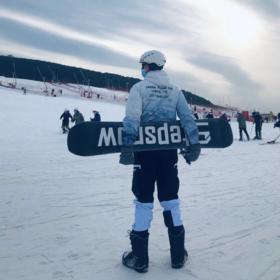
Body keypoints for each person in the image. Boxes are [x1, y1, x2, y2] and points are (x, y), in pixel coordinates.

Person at [120, 50, 200, 273]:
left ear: (149, 65)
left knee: (144, 200)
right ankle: (177, 256)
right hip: (168, 152)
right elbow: (186, 118)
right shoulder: (175, 90)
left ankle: (139, 258)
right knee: (170, 199)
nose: (141, 69)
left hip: (144, 153)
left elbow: (132, 118)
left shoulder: (139, 88)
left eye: (142, 65)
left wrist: (127, 147)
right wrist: (195, 144)